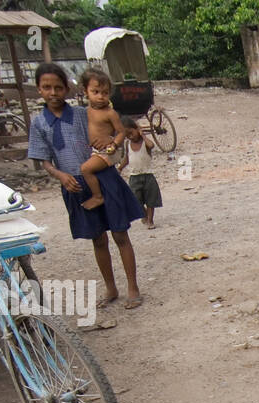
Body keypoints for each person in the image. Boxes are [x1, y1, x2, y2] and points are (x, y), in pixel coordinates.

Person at [27, 63, 145, 311]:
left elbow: (115, 132)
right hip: (74, 185)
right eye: (47, 88)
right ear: (38, 89)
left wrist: (112, 142)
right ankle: (111, 287)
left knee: (120, 234)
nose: (53, 93)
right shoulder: (39, 124)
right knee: (97, 239)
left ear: (68, 89)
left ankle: (132, 287)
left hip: (104, 177)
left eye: (58, 87)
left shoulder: (85, 113)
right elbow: (44, 160)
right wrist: (60, 175)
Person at [77, 68, 127, 211]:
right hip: (96, 150)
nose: (100, 97)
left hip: (109, 151)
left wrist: (114, 144)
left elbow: (121, 132)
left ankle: (98, 196)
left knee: (85, 169)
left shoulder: (110, 113)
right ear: (86, 92)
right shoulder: (85, 112)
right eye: (96, 92)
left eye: (105, 93)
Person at [120, 116, 161, 229]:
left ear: (136, 129)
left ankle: (150, 220)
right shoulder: (128, 144)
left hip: (147, 175)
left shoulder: (145, 143)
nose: (130, 136)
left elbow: (151, 145)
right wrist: (119, 168)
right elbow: (127, 159)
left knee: (150, 200)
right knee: (135, 199)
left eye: (131, 132)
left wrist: (142, 135)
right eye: (127, 135)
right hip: (134, 176)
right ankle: (144, 214)